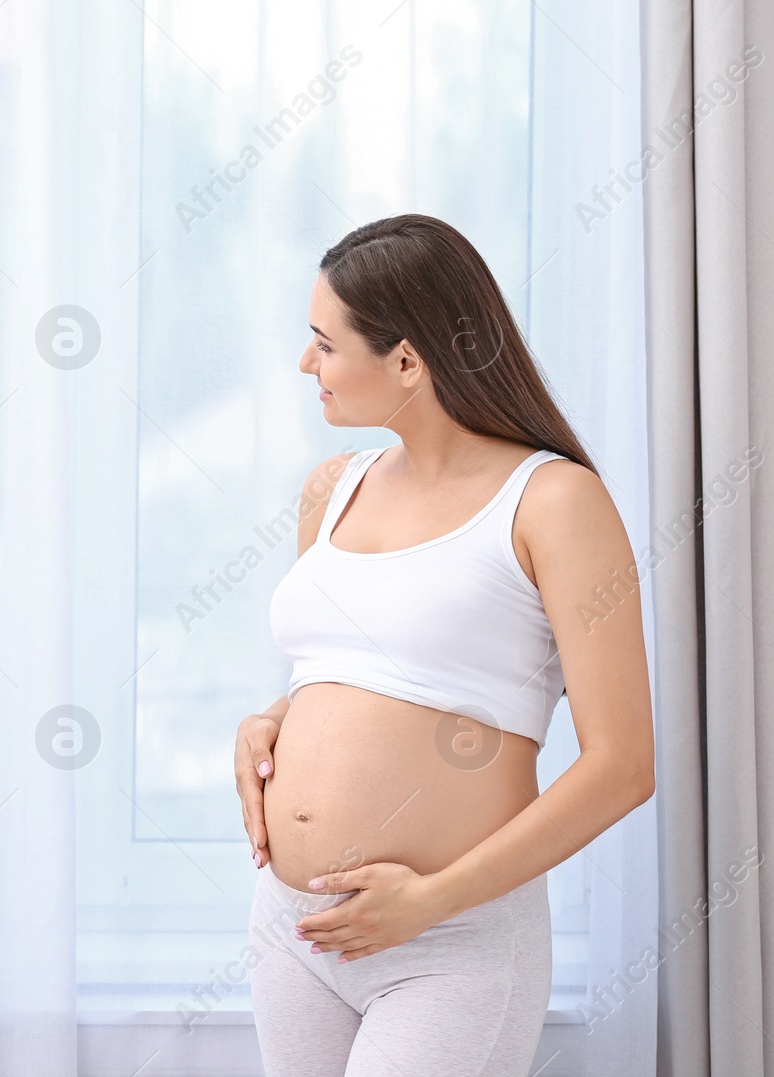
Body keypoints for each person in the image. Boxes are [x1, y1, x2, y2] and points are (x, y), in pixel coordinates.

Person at [235, 214, 655, 1076]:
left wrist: (429, 900)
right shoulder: (332, 489)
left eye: (323, 342)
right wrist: (271, 721)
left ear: (406, 360)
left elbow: (624, 765)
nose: (304, 365)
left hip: (450, 937)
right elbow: (350, 673)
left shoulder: (554, 502)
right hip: (294, 924)